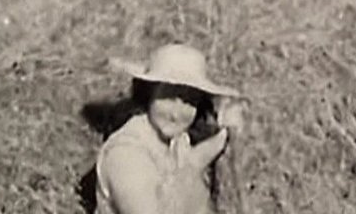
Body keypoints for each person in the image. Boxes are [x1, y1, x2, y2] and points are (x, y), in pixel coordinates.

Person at [96, 43, 245, 214]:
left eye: (189, 101)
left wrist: (225, 133)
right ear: (148, 93)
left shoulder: (179, 142)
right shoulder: (125, 154)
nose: (176, 114)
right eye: (167, 97)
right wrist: (195, 163)